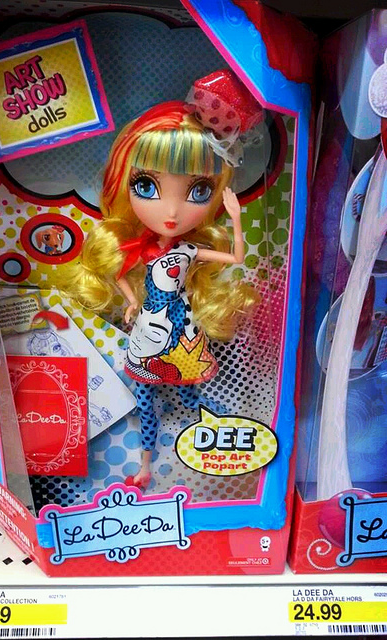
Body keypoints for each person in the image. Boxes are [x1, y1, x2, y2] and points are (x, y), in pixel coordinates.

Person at [65, 87, 260, 488]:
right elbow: (120, 274)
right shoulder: (140, 249)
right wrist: (130, 301)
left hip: (180, 335)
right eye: (146, 186)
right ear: (123, 182)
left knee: (190, 397)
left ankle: (210, 450)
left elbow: (236, 258)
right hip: (146, 336)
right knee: (145, 404)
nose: (171, 212)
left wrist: (236, 218)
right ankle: (145, 467)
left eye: (198, 191)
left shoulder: (189, 250)